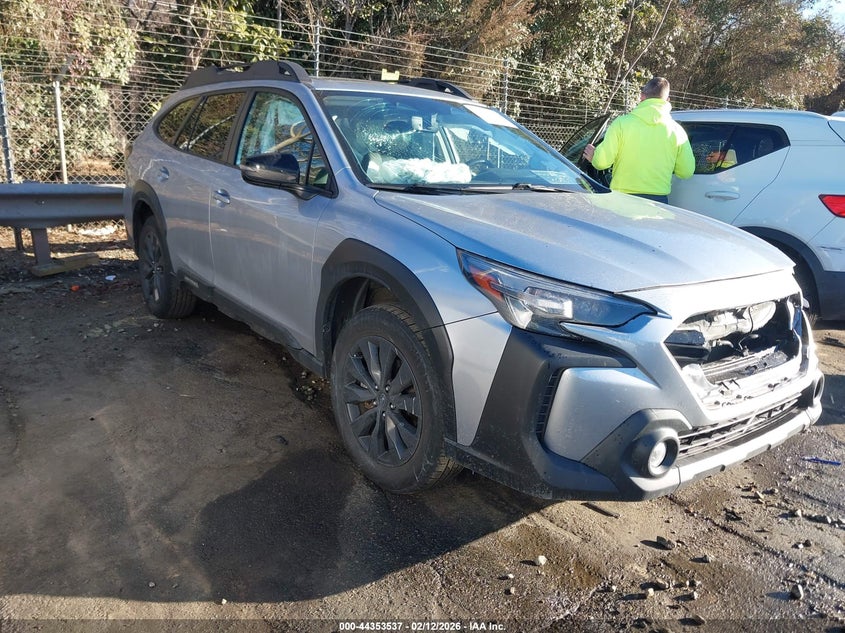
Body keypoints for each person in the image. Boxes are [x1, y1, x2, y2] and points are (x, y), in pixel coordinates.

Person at [583, 77, 695, 203]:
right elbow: (686, 171)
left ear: (642, 96)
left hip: (622, 199)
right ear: (668, 100)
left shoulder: (621, 124)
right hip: (658, 202)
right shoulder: (677, 131)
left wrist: (594, 156)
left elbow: (602, 163)